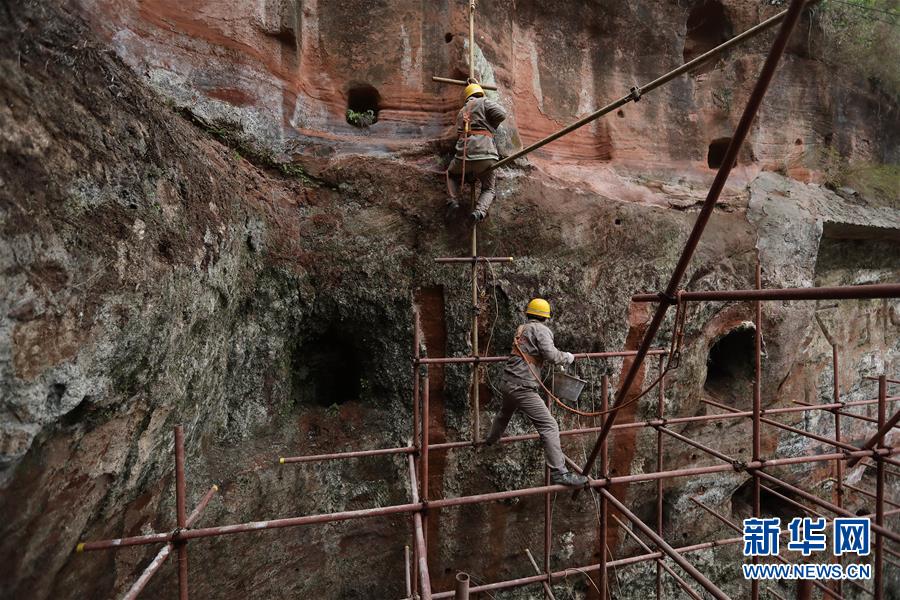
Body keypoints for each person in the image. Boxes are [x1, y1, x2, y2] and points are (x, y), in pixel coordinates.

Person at [485, 298, 589, 487]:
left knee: (505, 413)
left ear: (529, 313)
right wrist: (567, 357)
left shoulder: (522, 329)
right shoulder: (541, 330)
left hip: (508, 382)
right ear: (546, 317)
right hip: (522, 386)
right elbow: (551, 355)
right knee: (549, 426)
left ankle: (490, 440)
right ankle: (560, 472)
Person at [446, 82, 506, 221]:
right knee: (488, 188)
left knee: (451, 174)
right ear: (480, 93)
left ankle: (453, 201)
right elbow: (501, 114)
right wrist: (491, 125)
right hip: (486, 155)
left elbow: (458, 133)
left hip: (464, 157)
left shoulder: (461, 112)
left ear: (467, 97)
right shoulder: (484, 101)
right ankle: (479, 212)